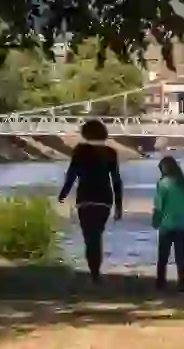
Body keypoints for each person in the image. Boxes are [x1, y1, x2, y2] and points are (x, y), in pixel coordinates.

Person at [58, 119, 123, 283]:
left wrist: (63, 194)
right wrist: (118, 206)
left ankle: (94, 272)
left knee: (89, 236)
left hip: (85, 198)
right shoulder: (110, 153)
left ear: (85, 133)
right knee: (97, 235)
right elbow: (116, 180)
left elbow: (71, 174)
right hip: (104, 200)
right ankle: (96, 272)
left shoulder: (80, 151)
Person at [152, 155, 184, 292]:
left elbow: (159, 206)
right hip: (182, 225)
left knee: (163, 255)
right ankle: (182, 283)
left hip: (166, 224)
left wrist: (155, 221)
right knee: (180, 256)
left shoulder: (163, 183)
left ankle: (160, 283)